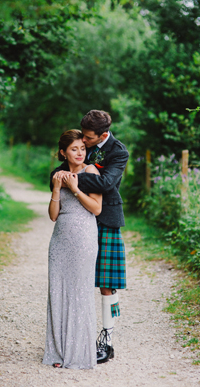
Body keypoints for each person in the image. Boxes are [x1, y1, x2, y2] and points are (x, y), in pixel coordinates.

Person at [50, 110, 129, 363]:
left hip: (104, 218)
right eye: (81, 137)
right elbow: (55, 173)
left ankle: (107, 339)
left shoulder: (118, 151)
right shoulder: (83, 142)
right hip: (75, 223)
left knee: (107, 283)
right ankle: (70, 338)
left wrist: (71, 180)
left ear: (103, 135)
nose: (83, 143)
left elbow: (106, 184)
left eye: (88, 138)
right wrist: (58, 179)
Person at [43, 130, 102, 369]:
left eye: (82, 149)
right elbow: (53, 216)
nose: (80, 153)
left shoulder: (91, 172)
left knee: (79, 291)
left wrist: (76, 189)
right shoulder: (57, 174)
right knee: (58, 292)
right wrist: (57, 189)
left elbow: (96, 209)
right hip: (60, 241)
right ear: (63, 152)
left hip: (84, 238)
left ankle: (79, 352)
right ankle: (58, 352)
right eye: (74, 149)